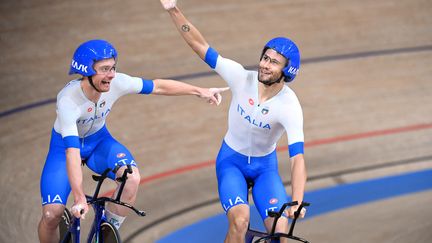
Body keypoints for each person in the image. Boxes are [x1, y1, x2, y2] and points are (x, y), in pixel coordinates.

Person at [38, 39, 228, 243]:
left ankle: (105, 232)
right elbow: (72, 153)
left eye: (113, 67)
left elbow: (158, 86)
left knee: (132, 178)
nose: (111, 75)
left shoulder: (117, 82)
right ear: (86, 71)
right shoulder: (68, 100)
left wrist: (200, 91)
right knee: (51, 214)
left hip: (99, 142)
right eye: (104, 69)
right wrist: (79, 198)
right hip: (64, 148)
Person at [160, 1, 307, 242]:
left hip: (265, 170)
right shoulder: (241, 77)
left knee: (280, 231)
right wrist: (173, 10)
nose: (264, 65)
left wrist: (298, 200)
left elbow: (297, 158)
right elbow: (200, 46)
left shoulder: (289, 105)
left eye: (273, 62)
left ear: (288, 71)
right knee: (240, 222)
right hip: (232, 163)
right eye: (265, 58)